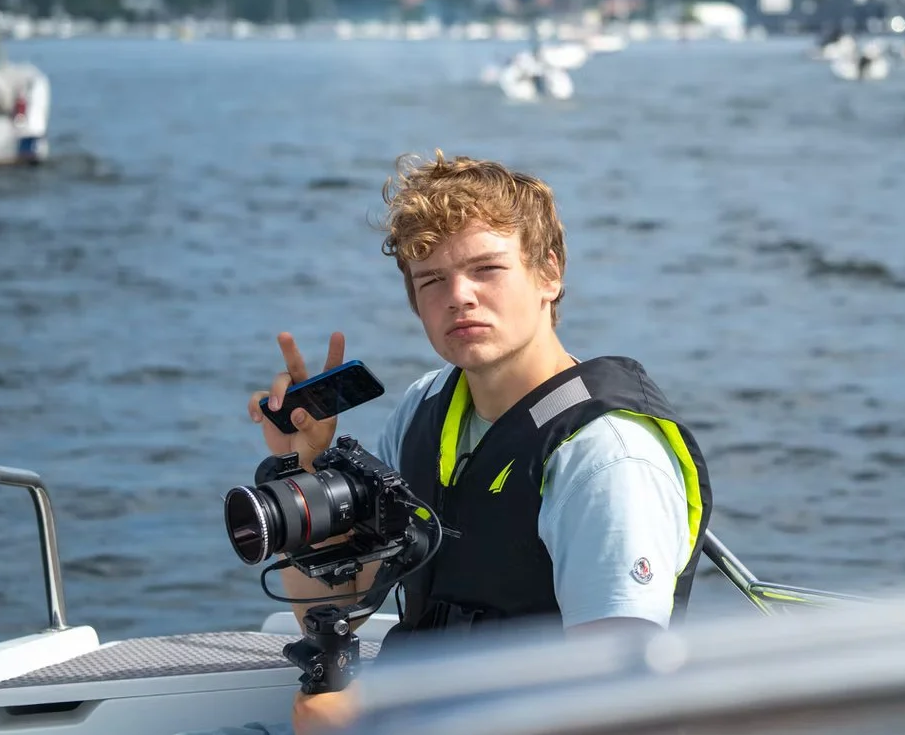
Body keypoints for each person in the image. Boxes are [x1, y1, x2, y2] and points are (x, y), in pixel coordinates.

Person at [188, 152, 713, 735]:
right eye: (431, 280)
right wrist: (305, 463)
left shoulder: (606, 456)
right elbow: (330, 609)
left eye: (487, 270)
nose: (458, 296)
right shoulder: (427, 407)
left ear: (549, 273)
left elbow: (618, 702)